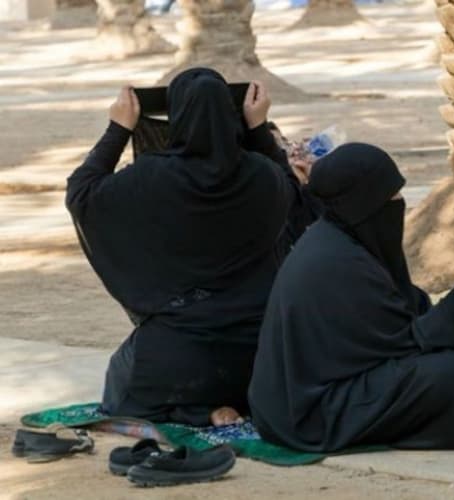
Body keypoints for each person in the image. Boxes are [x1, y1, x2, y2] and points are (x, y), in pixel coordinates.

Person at [65, 68, 320, 426]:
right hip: (260, 352)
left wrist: (118, 129)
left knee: (120, 388)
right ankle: (235, 404)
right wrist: (259, 129)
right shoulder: (263, 176)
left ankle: (198, 410)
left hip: (181, 353)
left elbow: (81, 192)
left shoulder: (150, 177)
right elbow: (296, 196)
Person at [248, 143, 454, 452]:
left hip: (340, 383)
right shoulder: (338, 263)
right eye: (392, 197)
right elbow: (411, 342)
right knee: (451, 375)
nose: (400, 204)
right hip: (311, 412)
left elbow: (415, 309)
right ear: (365, 204)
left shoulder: (348, 241)